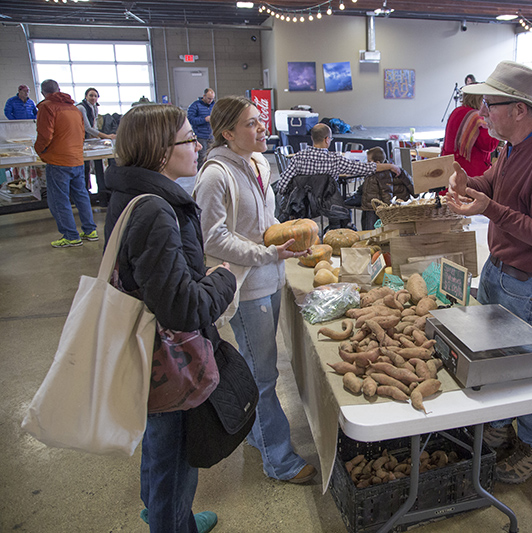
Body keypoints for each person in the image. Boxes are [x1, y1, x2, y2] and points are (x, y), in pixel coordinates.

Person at [104, 104, 236, 533]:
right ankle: (172, 522)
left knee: (159, 444)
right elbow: (181, 309)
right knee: (174, 457)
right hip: (168, 356)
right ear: (161, 152)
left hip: (146, 348)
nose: (198, 145)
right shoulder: (157, 209)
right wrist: (223, 279)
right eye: (188, 139)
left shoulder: (132, 193)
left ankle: (168, 514)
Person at [447, 60, 532, 484]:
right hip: (500, 270)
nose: (482, 112)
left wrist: (491, 210)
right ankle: (501, 427)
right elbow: (494, 183)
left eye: (490, 104)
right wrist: (472, 186)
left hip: (531, 285)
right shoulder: (513, 146)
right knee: (493, 358)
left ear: (520, 110)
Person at [193, 96, 317, 484]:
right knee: (262, 376)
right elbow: (211, 239)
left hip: (272, 278)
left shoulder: (260, 162)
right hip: (246, 289)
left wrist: (291, 234)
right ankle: (279, 461)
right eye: (251, 124)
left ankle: (255, 433)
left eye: (261, 121)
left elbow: (264, 220)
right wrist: (265, 253)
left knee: (261, 367)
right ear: (228, 133)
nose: (262, 128)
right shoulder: (215, 175)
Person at [276, 123, 401, 228]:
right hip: (328, 207)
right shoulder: (334, 159)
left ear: (312, 139)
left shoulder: (298, 158)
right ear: (327, 139)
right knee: (339, 203)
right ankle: (336, 232)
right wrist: (390, 166)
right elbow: (365, 168)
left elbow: (282, 185)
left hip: (302, 207)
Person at [33, 79, 98, 248]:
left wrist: (39, 151)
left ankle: (70, 236)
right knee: (81, 195)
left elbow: (45, 135)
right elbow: (82, 131)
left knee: (58, 200)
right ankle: (90, 230)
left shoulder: (46, 107)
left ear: (42, 93)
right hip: (76, 159)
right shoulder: (73, 108)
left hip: (58, 161)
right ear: (59, 90)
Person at [441, 91, 500, 177]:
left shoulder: (456, 111)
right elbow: (489, 145)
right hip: (471, 171)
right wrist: (498, 126)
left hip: (450, 167)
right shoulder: (477, 118)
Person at [76, 87, 116, 204]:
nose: (93, 98)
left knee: (97, 165)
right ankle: (84, 195)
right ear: (86, 96)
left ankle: (102, 194)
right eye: (91, 95)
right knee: (85, 168)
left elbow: (94, 125)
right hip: (81, 140)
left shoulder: (94, 107)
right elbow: (87, 127)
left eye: (95, 96)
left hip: (90, 140)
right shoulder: (81, 108)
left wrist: (98, 137)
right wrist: (106, 136)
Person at [360, 146, 414, 229]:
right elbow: (410, 185)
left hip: (373, 208)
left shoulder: (374, 176)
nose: (367, 164)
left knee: (370, 231)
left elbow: (385, 192)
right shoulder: (398, 170)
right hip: (392, 207)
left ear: (377, 163)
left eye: (369, 161)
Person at [187, 88, 215, 165]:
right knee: (202, 157)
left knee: (212, 156)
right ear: (204, 96)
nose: (210, 101)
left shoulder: (214, 105)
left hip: (212, 135)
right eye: (209, 98)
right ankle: (201, 174)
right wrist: (204, 119)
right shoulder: (195, 105)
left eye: (212, 99)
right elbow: (190, 119)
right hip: (201, 135)